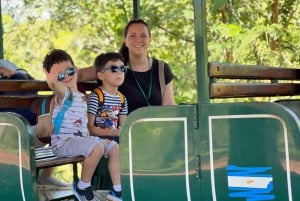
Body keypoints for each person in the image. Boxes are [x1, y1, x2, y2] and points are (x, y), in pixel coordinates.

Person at [42, 49, 122, 201]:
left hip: (82, 141)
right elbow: (55, 86)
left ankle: (117, 191)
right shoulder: (64, 95)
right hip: (63, 143)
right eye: (60, 75)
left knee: (114, 148)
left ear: (76, 70)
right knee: (96, 147)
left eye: (70, 71)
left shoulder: (84, 98)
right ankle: (82, 186)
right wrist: (53, 78)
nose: (66, 76)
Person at [77, 19, 175, 114]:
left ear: (150, 40)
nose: (138, 39)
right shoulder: (113, 66)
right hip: (121, 130)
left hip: (156, 128)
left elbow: (169, 111)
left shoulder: (162, 69)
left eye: (143, 35)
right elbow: (80, 75)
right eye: (132, 36)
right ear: (126, 41)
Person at [0, 59, 70, 190]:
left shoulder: (15, 71)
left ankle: (45, 178)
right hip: (7, 133)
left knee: (62, 125)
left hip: (30, 129)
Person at [87, 52, 128, 144]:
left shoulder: (122, 99)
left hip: (115, 139)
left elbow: (124, 126)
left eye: (122, 68)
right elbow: (89, 128)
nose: (120, 72)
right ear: (101, 75)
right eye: (113, 69)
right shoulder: (96, 97)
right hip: (97, 141)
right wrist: (112, 133)